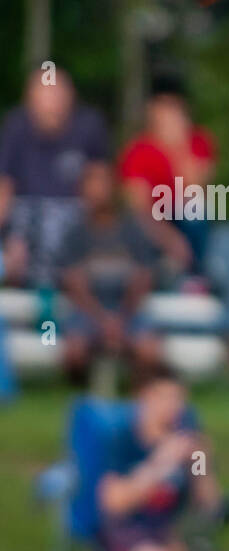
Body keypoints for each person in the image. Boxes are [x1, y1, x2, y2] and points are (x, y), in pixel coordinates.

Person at [97, 364, 226, 551]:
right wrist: (160, 463)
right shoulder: (124, 440)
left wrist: (202, 467)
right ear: (145, 398)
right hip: (124, 530)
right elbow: (113, 502)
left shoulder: (185, 442)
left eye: (179, 400)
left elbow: (211, 506)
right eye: (165, 398)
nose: (173, 407)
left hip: (167, 531)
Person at [0, 68, 111, 290]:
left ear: (70, 96)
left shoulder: (89, 125)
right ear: (30, 100)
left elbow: (101, 187)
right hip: (26, 216)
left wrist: (95, 235)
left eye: (58, 94)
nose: (53, 104)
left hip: (74, 215)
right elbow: (4, 187)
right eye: (46, 96)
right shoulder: (15, 126)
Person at [56, 162, 165, 387]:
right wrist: (102, 320)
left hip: (128, 312)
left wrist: (120, 319)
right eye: (91, 184)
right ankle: (82, 396)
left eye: (102, 184)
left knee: (149, 348)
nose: (96, 191)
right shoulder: (76, 233)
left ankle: (139, 395)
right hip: (88, 313)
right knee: (73, 350)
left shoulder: (131, 229)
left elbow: (143, 277)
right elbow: (73, 283)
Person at [119, 75, 216, 280]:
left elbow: (195, 190)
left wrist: (177, 148)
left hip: (186, 224)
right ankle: (153, 272)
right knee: (135, 224)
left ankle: (195, 275)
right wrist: (170, 240)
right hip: (154, 226)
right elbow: (138, 207)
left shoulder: (199, 143)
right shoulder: (137, 151)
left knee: (195, 209)